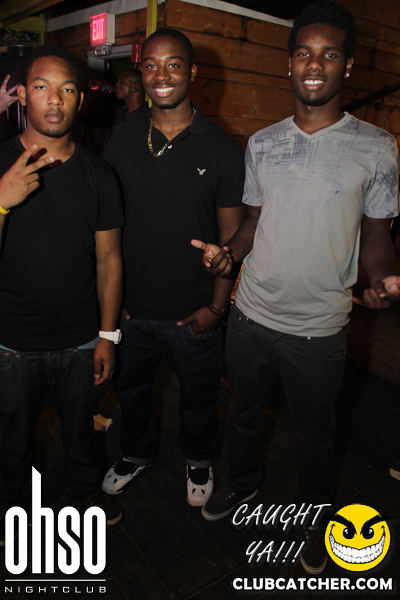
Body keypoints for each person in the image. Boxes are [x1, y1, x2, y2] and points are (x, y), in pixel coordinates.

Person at [191, 0, 399, 574]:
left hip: (319, 329)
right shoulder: (262, 143)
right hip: (251, 316)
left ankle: (315, 518)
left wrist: (382, 278)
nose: (314, 64)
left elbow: (377, 236)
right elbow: (254, 223)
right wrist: (229, 254)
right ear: (289, 64)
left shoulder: (377, 147)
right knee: (242, 415)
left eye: (329, 54)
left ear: (347, 66)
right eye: (304, 53)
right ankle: (243, 482)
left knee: (314, 436)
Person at [102, 28, 245, 508]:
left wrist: (217, 309)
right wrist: (113, 306)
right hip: (133, 312)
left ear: (193, 72)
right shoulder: (123, 139)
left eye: (173, 64)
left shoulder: (222, 148)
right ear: (141, 73)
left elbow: (230, 239)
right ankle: (136, 452)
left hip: (194, 310)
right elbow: (109, 231)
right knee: (132, 392)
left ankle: (199, 457)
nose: (161, 74)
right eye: (151, 65)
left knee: (200, 397)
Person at [0, 44, 124, 539]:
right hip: (10, 343)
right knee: (12, 441)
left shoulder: (99, 175)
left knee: (81, 435)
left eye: (67, 89)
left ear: (81, 100)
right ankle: (15, 509)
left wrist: (108, 336)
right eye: (41, 87)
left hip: (80, 341)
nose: (55, 99)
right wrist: (1, 202)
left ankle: (83, 498)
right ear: (22, 96)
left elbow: (109, 260)